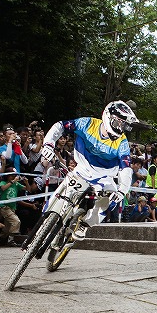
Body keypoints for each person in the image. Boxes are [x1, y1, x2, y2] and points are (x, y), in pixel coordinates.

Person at [40, 100, 139, 238]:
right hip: (81, 169)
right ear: (108, 116)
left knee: (111, 200)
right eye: (118, 123)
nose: (120, 128)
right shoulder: (87, 123)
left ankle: (85, 225)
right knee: (60, 194)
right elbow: (60, 126)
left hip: (104, 178)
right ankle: (46, 220)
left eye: (123, 125)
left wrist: (122, 189)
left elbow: (126, 168)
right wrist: (48, 145)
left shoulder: (122, 142)